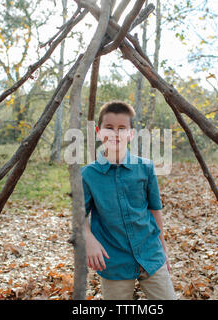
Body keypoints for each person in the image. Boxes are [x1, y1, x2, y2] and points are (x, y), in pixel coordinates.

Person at [81, 100, 176, 300]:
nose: (115, 134)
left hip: (150, 254)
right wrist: (89, 239)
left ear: (131, 134)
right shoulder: (88, 175)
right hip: (114, 259)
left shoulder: (146, 168)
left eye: (122, 128)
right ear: (99, 132)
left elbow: (155, 210)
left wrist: (163, 250)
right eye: (109, 128)